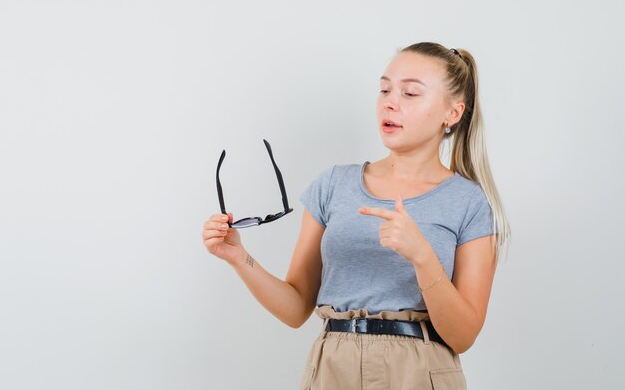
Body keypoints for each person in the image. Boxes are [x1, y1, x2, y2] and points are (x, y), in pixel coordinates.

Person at [202, 41, 511, 390]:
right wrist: (238, 258)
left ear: (452, 113)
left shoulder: (468, 202)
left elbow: (463, 337)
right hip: (334, 367)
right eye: (384, 89)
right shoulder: (333, 184)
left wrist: (422, 257)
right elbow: (295, 309)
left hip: (420, 372)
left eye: (410, 93)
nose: (390, 102)